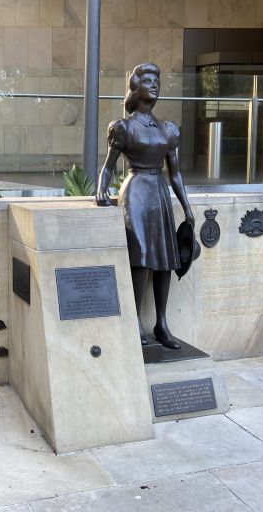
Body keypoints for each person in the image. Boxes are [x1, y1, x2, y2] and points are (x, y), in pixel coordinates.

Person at [95, 62, 195, 350]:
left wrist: (186, 208)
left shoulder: (168, 129)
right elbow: (108, 167)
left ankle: (161, 324)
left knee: (165, 258)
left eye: (157, 81)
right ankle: (135, 319)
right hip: (136, 191)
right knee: (140, 253)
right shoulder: (124, 127)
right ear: (135, 88)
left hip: (159, 192)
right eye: (148, 80)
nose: (154, 85)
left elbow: (175, 173)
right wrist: (101, 190)